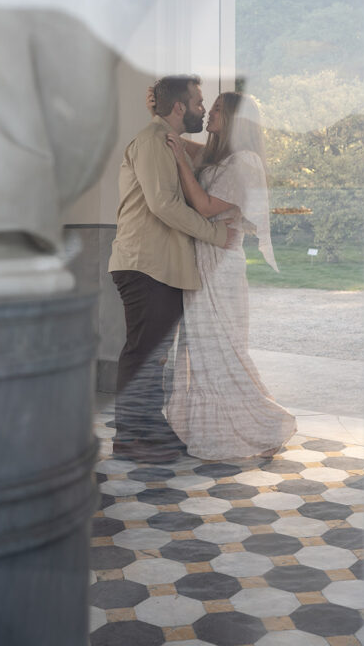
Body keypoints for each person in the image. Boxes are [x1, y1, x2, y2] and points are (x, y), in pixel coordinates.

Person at [161, 90, 297, 459]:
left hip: (221, 266)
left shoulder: (245, 162)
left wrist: (176, 155)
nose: (209, 114)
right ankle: (214, 428)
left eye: (218, 109)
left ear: (236, 119)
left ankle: (261, 423)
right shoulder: (218, 158)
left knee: (224, 348)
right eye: (211, 107)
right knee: (203, 350)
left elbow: (204, 206)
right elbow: (192, 151)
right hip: (203, 260)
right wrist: (166, 128)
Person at [108, 75, 237, 463]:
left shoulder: (168, 140)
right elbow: (163, 205)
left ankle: (148, 431)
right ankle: (130, 438)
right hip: (145, 265)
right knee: (143, 353)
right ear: (180, 107)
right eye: (199, 102)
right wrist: (215, 235)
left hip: (160, 266)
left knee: (155, 356)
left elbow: (211, 154)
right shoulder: (152, 141)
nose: (203, 108)